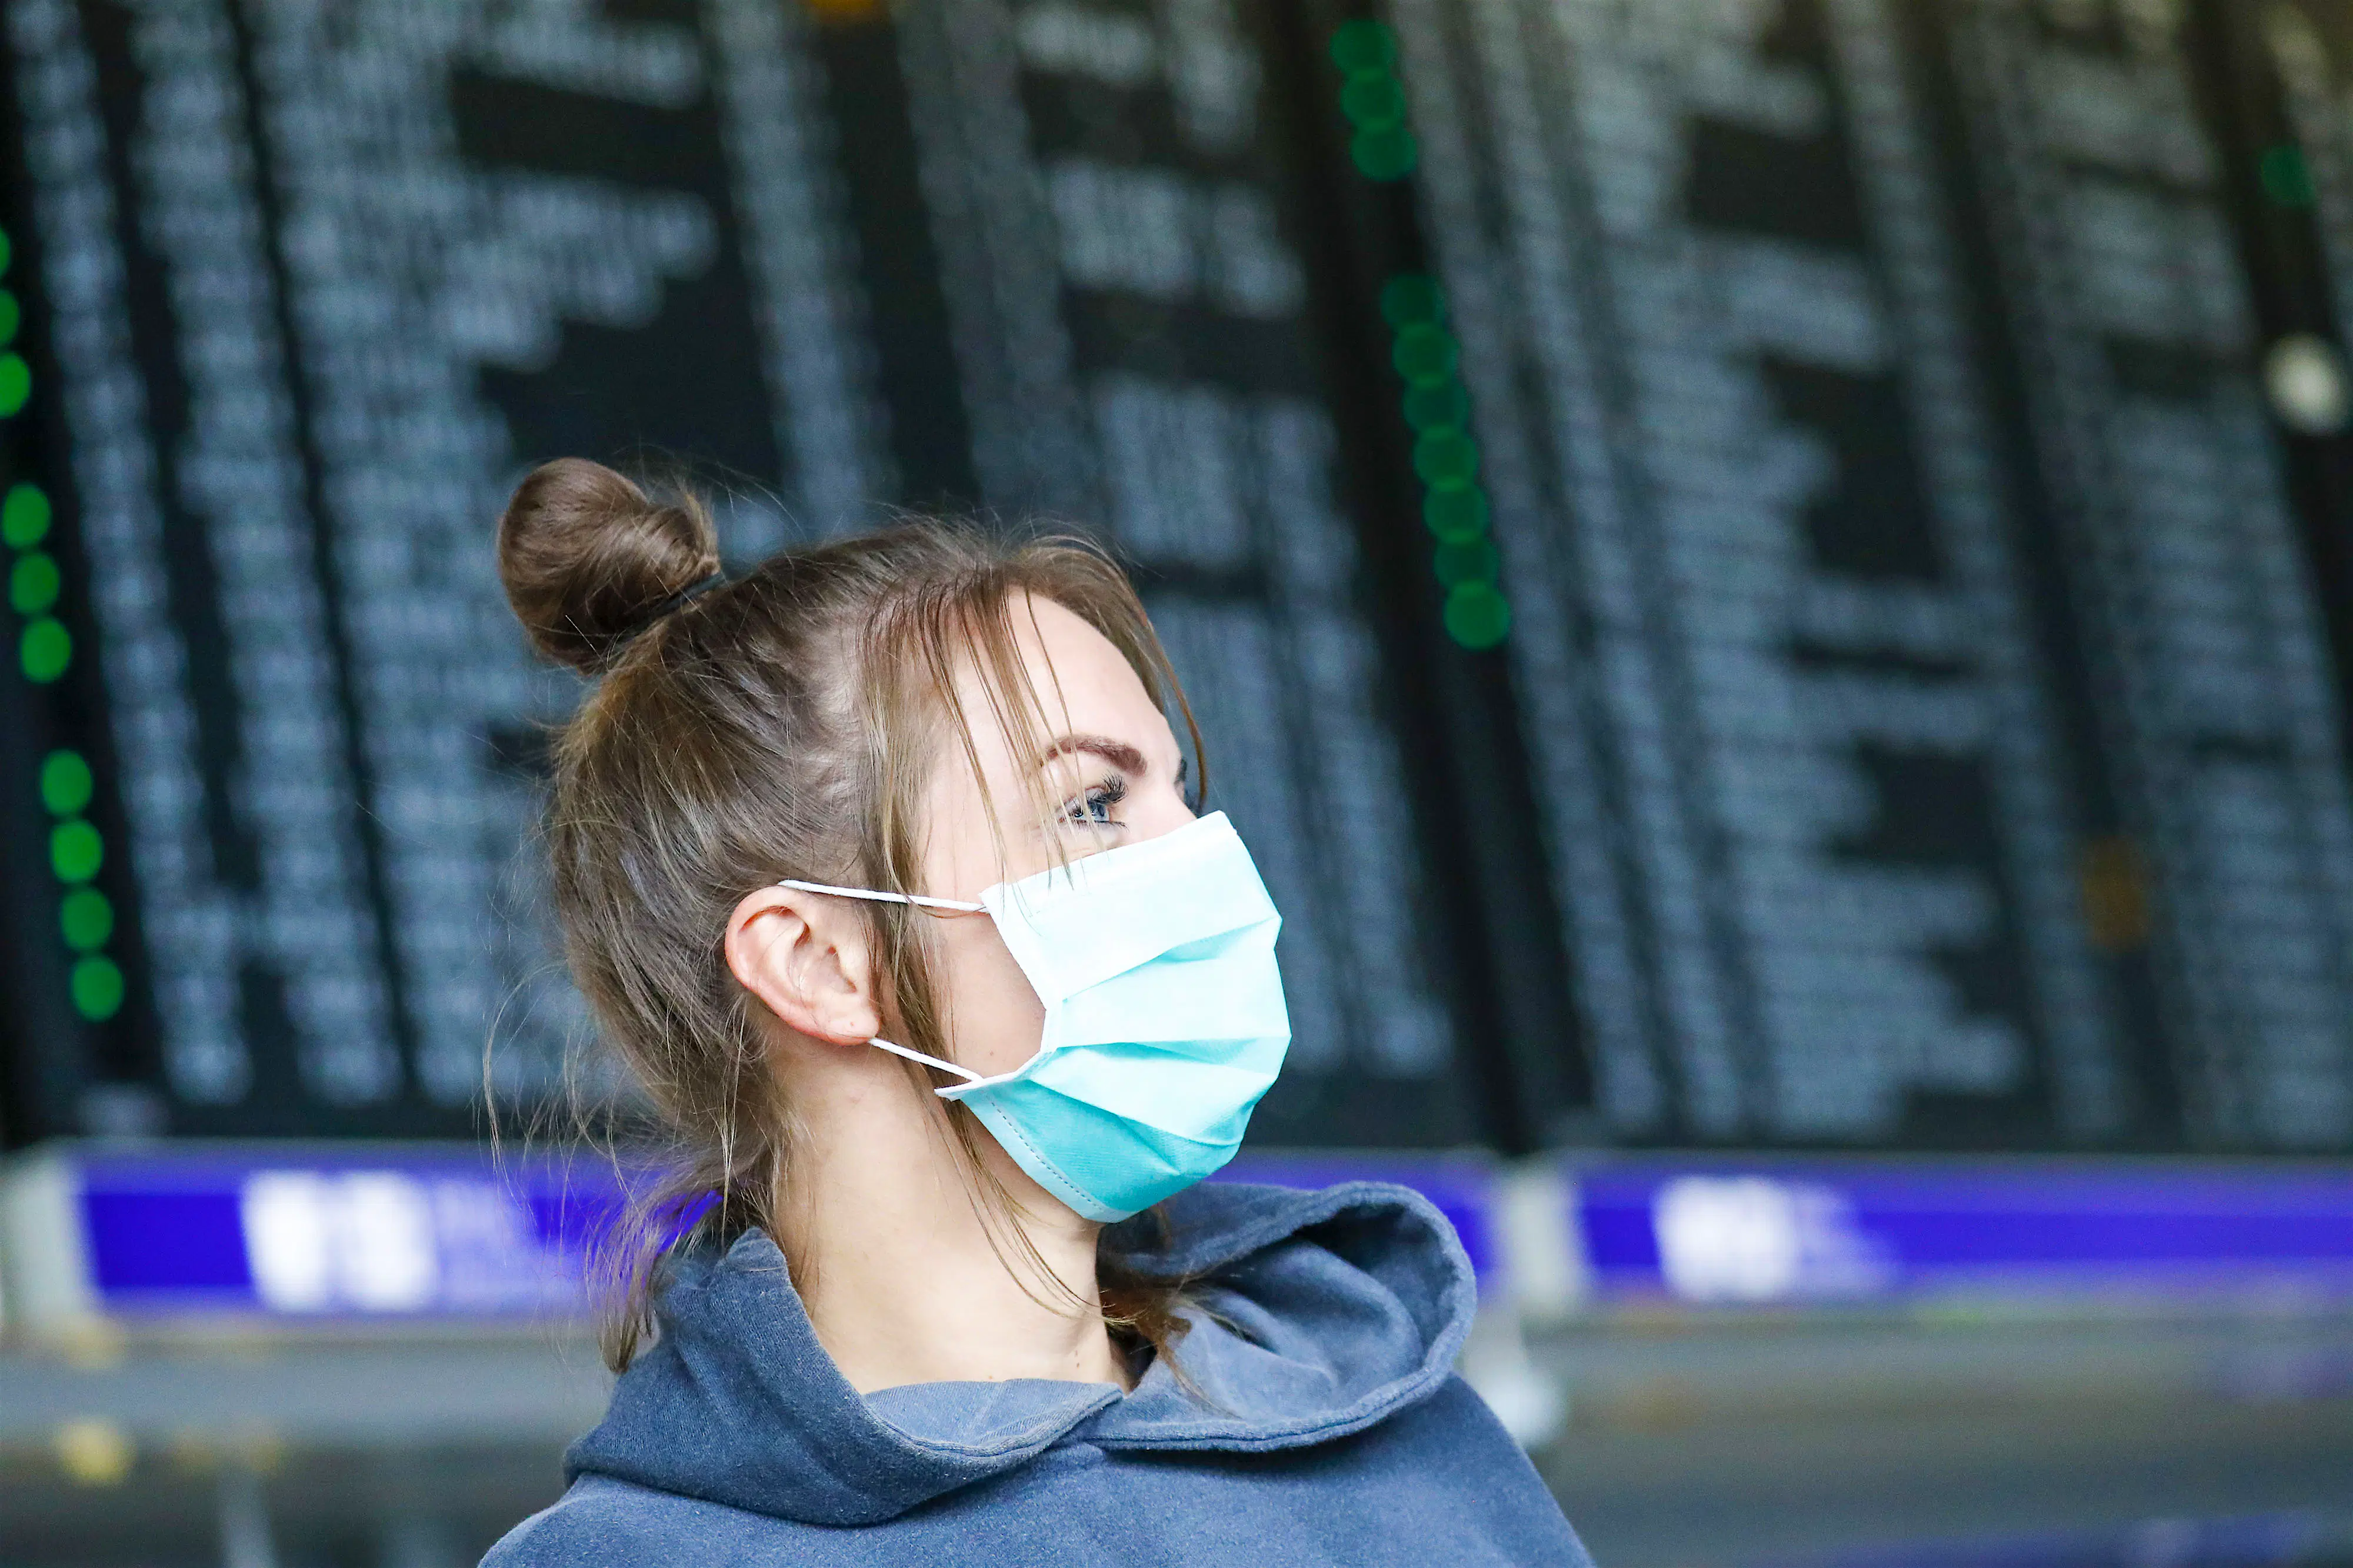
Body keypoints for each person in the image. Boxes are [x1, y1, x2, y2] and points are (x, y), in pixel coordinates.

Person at [480, 459, 1589, 1566]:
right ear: (817, 961)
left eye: (1181, 793)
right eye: (1094, 804)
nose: (1207, 859)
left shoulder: (1418, 1452)